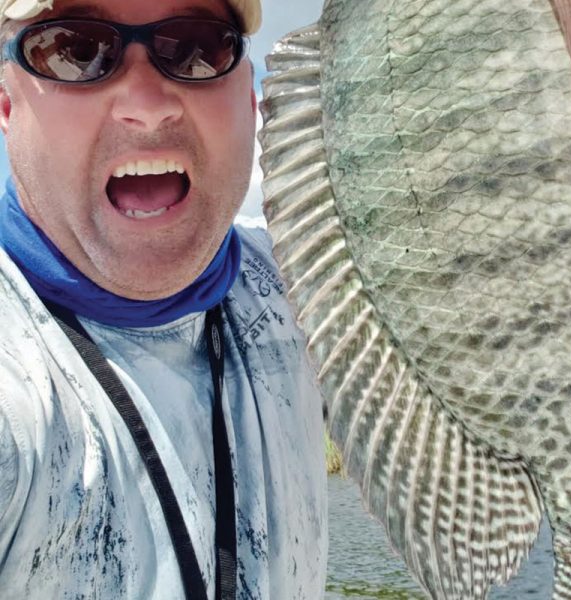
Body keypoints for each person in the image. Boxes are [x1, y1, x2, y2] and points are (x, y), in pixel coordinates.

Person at [0, 0, 328, 598]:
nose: (147, 107)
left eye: (199, 45)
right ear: (6, 106)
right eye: (74, 49)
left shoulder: (317, 287)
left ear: (251, 100)